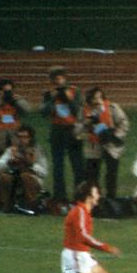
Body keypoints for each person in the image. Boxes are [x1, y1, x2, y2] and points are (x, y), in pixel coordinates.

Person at [0, 78, 32, 210]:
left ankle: (13, 201)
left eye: (10, 90)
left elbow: (27, 110)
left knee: (15, 171)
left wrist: (15, 100)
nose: (8, 93)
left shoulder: (16, 100)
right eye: (5, 90)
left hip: (14, 141)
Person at [40, 66, 85, 204]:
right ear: (52, 80)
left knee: (77, 164)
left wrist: (68, 98)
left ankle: (79, 195)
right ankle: (60, 196)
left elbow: (78, 110)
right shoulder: (49, 93)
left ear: (65, 78)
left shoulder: (74, 91)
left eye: (61, 78)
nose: (59, 81)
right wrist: (53, 99)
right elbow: (44, 112)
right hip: (57, 130)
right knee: (58, 165)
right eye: (56, 79)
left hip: (72, 130)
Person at [78, 87, 130, 201]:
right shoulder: (84, 110)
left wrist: (116, 135)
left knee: (111, 173)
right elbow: (78, 129)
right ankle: (94, 199)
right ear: (89, 99)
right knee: (92, 174)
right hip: (93, 145)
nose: (97, 100)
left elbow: (123, 122)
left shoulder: (112, 107)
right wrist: (86, 125)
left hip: (111, 144)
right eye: (94, 98)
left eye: (99, 97)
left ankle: (111, 198)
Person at [0, 125, 48, 214]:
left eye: (25, 137)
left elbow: (44, 173)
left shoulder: (37, 151)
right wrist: (9, 162)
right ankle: (7, 206)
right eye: (19, 137)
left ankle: (32, 207)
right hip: (14, 177)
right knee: (3, 177)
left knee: (25, 176)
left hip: (32, 179)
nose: (21, 140)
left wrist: (31, 164)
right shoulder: (12, 150)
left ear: (30, 138)